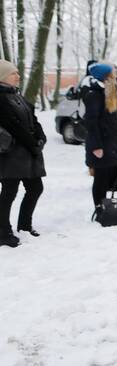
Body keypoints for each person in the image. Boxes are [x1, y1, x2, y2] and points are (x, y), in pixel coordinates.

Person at [0, 60, 45, 247]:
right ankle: (3, 232)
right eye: (13, 73)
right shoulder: (1, 98)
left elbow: (32, 120)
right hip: (11, 154)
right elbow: (14, 126)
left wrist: (41, 136)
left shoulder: (17, 95)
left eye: (18, 73)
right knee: (9, 192)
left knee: (35, 188)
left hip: (28, 152)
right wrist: (33, 145)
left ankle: (25, 225)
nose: (18, 76)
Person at [82, 63, 117, 217]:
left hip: (110, 143)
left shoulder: (109, 93)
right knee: (100, 179)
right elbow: (91, 122)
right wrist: (96, 146)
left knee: (105, 178)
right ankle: (99, 209)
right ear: (106, 76)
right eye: (113, 73)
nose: (116, 75)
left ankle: (103, 206)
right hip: (101, 145)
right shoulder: (95, 94)